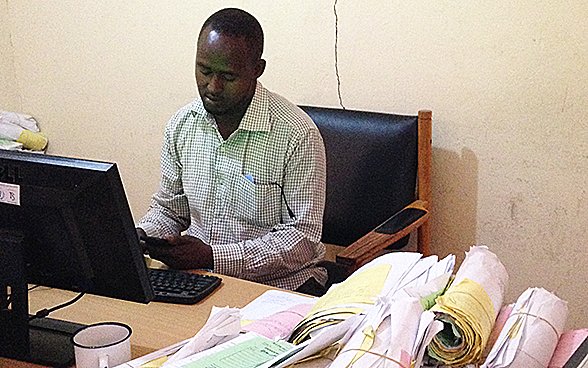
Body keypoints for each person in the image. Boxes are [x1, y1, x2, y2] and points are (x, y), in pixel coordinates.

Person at [136, 8, 327, 296]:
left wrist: (212, 257)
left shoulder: (297, 135)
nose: (213, 86)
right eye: (204, 70)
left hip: (277, 288)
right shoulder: (182, 125)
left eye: (228, 76)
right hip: (196, 280)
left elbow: (302, 240)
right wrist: (142, 235)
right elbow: (169, 210)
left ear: (257, 70)